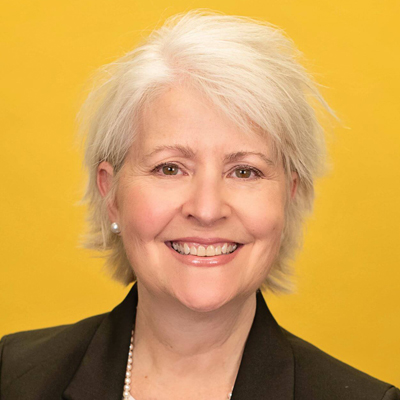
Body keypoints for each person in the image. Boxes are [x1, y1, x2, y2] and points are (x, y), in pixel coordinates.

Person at [0, 10, 398, 400]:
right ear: (111, 194)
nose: (207, 210)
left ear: (289, 196)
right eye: (170, 168)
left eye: (245, 172)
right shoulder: (14, 376)